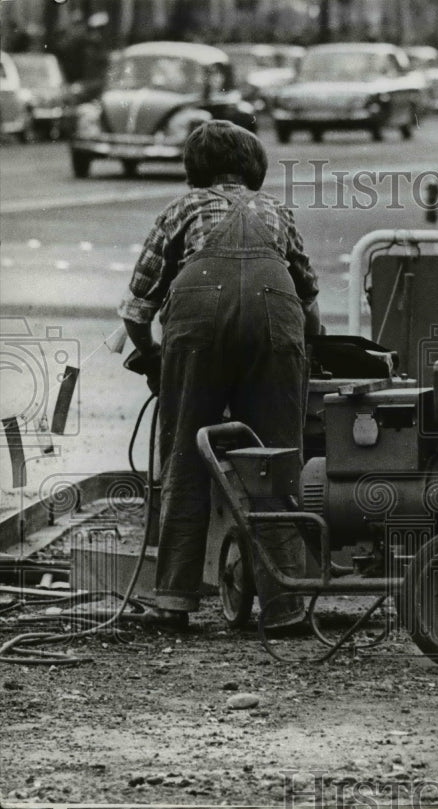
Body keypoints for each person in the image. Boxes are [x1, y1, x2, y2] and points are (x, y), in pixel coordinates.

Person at [119, 120, 323, 630]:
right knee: (276, 461)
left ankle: (173, 602)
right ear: (253, 170)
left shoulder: (181, 209)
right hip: (277, 320)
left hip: (197, 323)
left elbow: (135, 310)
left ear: (195, 170)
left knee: (186, 459)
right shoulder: (277, 211)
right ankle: (286, 606)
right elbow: (311, 306)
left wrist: (154, 360)